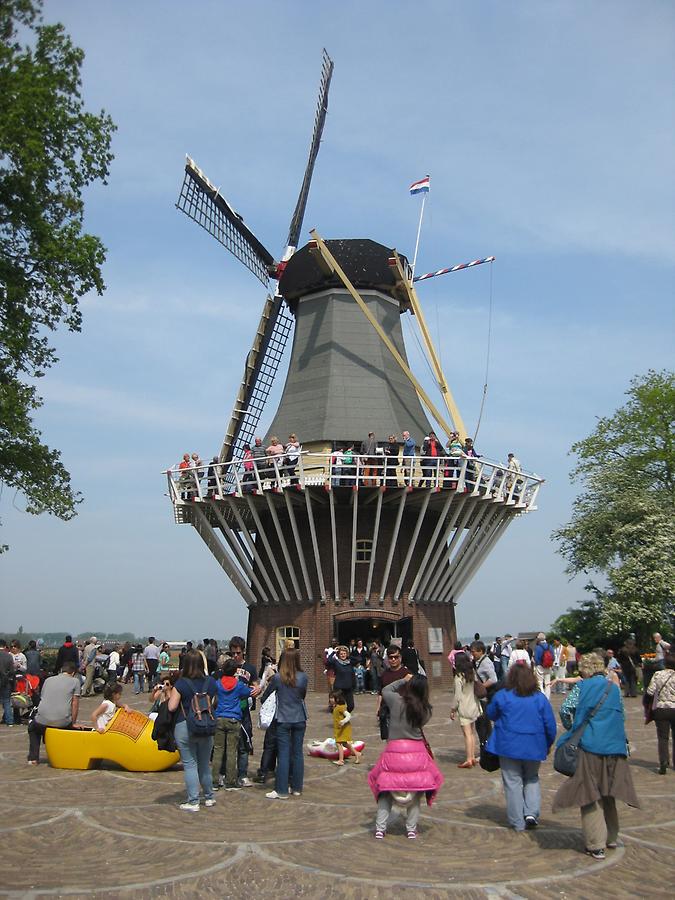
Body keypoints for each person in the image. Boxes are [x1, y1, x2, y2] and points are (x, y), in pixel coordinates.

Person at [552, 652, 640, 860]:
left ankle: (595, 843)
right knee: (609, 793)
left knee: (590, 794)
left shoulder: (582, 687)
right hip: (615, 745)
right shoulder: (614, 689)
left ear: (585, 669)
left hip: (591, 745)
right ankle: (611, 836)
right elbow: (622, 716)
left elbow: (565, 710)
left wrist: (573, 728)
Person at [368, 673, 444, 839]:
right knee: (416, 793)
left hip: (394, 752)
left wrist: (403, 679)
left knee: (386, 792)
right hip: (416, 755)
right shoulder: (426, 710)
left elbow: (386, 689)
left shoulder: (397, 701)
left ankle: (380, 829)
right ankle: (411, 829)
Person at [486, 663, 556, 831]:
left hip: (508, 745)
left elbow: (490, 713)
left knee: (512, 783)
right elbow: (550, 725)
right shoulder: (539, 698)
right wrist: (548, 743)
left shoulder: (503, 696)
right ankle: (531, 812)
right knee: (532, 777)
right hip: (534, 745)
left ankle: (517, 821)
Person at [167, 649, 218, 811]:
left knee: (190, 764)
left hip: (185, 725)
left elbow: (172, 706)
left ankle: (193, 800)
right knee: (204, 764)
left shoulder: (181, 683)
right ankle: (209, 796)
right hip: (206, 725)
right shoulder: (210, 682)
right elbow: (214, 702)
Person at [264, 648, 308, 799]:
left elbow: (266, 695)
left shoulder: (277, 678)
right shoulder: (303, 677)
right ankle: (296, 787)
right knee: (297, 753)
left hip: (283, 718)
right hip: (300, 717)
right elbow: (303, 695)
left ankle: (282, 790)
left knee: (283, 754)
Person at [212, 658, 257, 791]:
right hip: (234, 718)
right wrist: (257, 688)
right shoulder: (238, 685)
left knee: (218, 750)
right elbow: (250, 693)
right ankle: (230, 781)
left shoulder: (218, 683)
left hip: (219, 718)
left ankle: (215, 780)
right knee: (232, 751)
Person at [27, 661, 80, 765]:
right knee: (65, 725)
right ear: (73, 673)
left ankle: (33, 758)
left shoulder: (48, 680)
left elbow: (43, 697)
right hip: (62, 722)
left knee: (33, 728)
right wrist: (73, 722)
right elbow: (75, 703)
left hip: (42, 719)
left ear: (61, 670)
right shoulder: (75, 681)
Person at [226, 636, 259, 787]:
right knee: (227, 745)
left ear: (243, 652)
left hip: (243, 712)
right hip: (227, 711)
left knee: (244, 745)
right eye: (232, 653)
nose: (235, 656)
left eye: (238, 653)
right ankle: (226, 774)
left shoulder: (250, 668)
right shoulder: (226, 667)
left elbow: (255, 685)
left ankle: (243, 775)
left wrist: (257, 689)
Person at [449, 652, 482, 768]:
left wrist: (453, 709)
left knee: (467, 734)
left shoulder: (458, 677)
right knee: (472, 734)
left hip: (464, 708)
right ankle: (472, 757)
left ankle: (468, 759)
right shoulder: (471, 673)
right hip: (473, 706)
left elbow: (457, 696)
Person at [645, 652, 675, 775]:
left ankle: (663, 761)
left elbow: (650, 692)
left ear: (665, 663)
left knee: (663, 737)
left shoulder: (658, 675)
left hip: (661, 709)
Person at [377, 645, 409, 740]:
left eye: (396, 657)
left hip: (403, 711)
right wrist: (378, 708)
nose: (393, 660)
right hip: (387, 711)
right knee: (389, 739)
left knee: (403, 738)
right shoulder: (384, 674)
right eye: (391, 657)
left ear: (400, 657)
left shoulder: (407, 673)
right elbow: (380, 693)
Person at [330, 689, 362, 765]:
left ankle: (341, 760)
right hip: (339, 729)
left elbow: (348, 715)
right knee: (344, 744)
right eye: (330, 698)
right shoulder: (336, 707)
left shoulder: (340, 707)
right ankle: (356, 753)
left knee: (338, 743)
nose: (330, 699)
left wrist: (343, 721)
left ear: (337, 699)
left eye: (332, 698)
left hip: (343, 729)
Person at [327, 645, 355, 712]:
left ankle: (345, 715)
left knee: (351, 706)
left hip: (348, 688)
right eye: (341, 654)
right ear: (339, 655)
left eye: (344, 654)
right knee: (340, 706)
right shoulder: (336, 662)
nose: (343, 655)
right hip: (339, 688)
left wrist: (349, 655)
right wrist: (334, 652)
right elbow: (329, 660)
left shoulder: (349, 663)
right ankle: (339, 718)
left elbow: (358, 659)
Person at [0, 639, 16, 727]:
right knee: (6, 701)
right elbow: (12, 671)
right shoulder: (9, 656)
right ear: (5, 646)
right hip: (6, 681)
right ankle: (9, 721)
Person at [533, 632, 554, 697]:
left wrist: (537, 664)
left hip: (540, 666)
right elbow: (553, 657)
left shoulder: (538, 647)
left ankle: (542, 696)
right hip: (548, 666)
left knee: (540, 683)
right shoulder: (550, 646)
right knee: (548, 683)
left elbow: (536, 658)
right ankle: (548, 697)